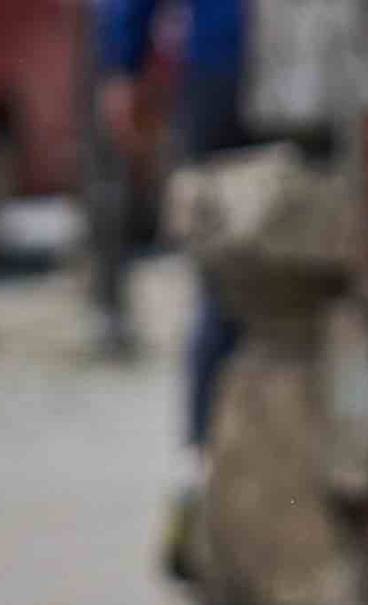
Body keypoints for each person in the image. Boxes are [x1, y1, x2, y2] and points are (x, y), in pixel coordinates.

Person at [96, 0, 248, 573]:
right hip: (236, 60)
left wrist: (125, 63)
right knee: (227, 278)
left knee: (224, 282)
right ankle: (204, 477)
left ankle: (202, 475)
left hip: (226, 59)